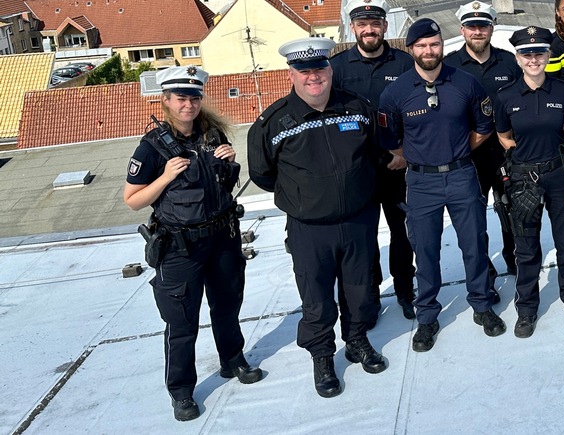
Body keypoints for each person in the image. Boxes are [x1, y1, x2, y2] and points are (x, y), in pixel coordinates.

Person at [248, 38, 386, 399]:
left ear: (330, 69)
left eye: (320, 69)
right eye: (304, 71)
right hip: (309, 229)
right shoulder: (272, 123)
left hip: (358, 220)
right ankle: (323, 356)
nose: (314, 77)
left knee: (359, 291)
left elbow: (375, 154)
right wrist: (306, 196)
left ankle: (356, 342)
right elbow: (263, 174)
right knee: (317, 299)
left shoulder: (357, 108)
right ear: (291, 74)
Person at [124, 66, 261, 421]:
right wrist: (166, 176)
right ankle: (182, 391)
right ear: (166, 101)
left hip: (222, 239)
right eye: (181, 98)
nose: (189, 104)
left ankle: (233, 360)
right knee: (182, 322)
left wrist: (230, 163)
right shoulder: (152, 146)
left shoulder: (212, 135)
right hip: (180, 248)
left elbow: (219, 186)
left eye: (194, 97)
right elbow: (133, 200)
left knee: (227, 307)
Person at [377, 18, 506, 352]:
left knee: (474, 244)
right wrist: (422, 156)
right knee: (426, 250)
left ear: (442, 46)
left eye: (434, 44)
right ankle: (427, 316)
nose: (428, 51)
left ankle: (482, 305)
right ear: (411, 49)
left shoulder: (465, 83)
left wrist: (455, 152)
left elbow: (483, 126)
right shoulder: (395, 93)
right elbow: (390, 139)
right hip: (421, 181)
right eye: (421, 46)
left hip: (462, 174)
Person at [493, 26, 564, 338]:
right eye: (526, 53)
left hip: (559, 175)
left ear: (548, 55)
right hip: (524, 178)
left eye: (538, 52)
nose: (533, 58)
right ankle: (526, 309)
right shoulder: (505, 96)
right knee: (527, 248)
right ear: (518, 58)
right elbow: (503, 135)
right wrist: (520, 155)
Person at [328, 0, 417, 319]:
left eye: (375, 24)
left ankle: (406, 291)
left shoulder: (404, 64)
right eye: (363, 24)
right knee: (363, 237)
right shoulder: (336, 69)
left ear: (384, 26)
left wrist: (407, 152)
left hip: (397, 166)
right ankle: (370, 296)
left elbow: (417, 113)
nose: (369, 30)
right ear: (353, 28)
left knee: (402, 232)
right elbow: (331, 121)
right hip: (358, 171)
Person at [444, 0, 520, 276]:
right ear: (462, 30)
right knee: (473, 217)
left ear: (492, 28)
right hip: (468, 156)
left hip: (505, 153)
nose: (478, 32)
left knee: (512, 211)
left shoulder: (509, 62)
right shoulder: (449, 66)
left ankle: (515, 258)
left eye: (483, 26)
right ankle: (483, 266)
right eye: (472, 27)